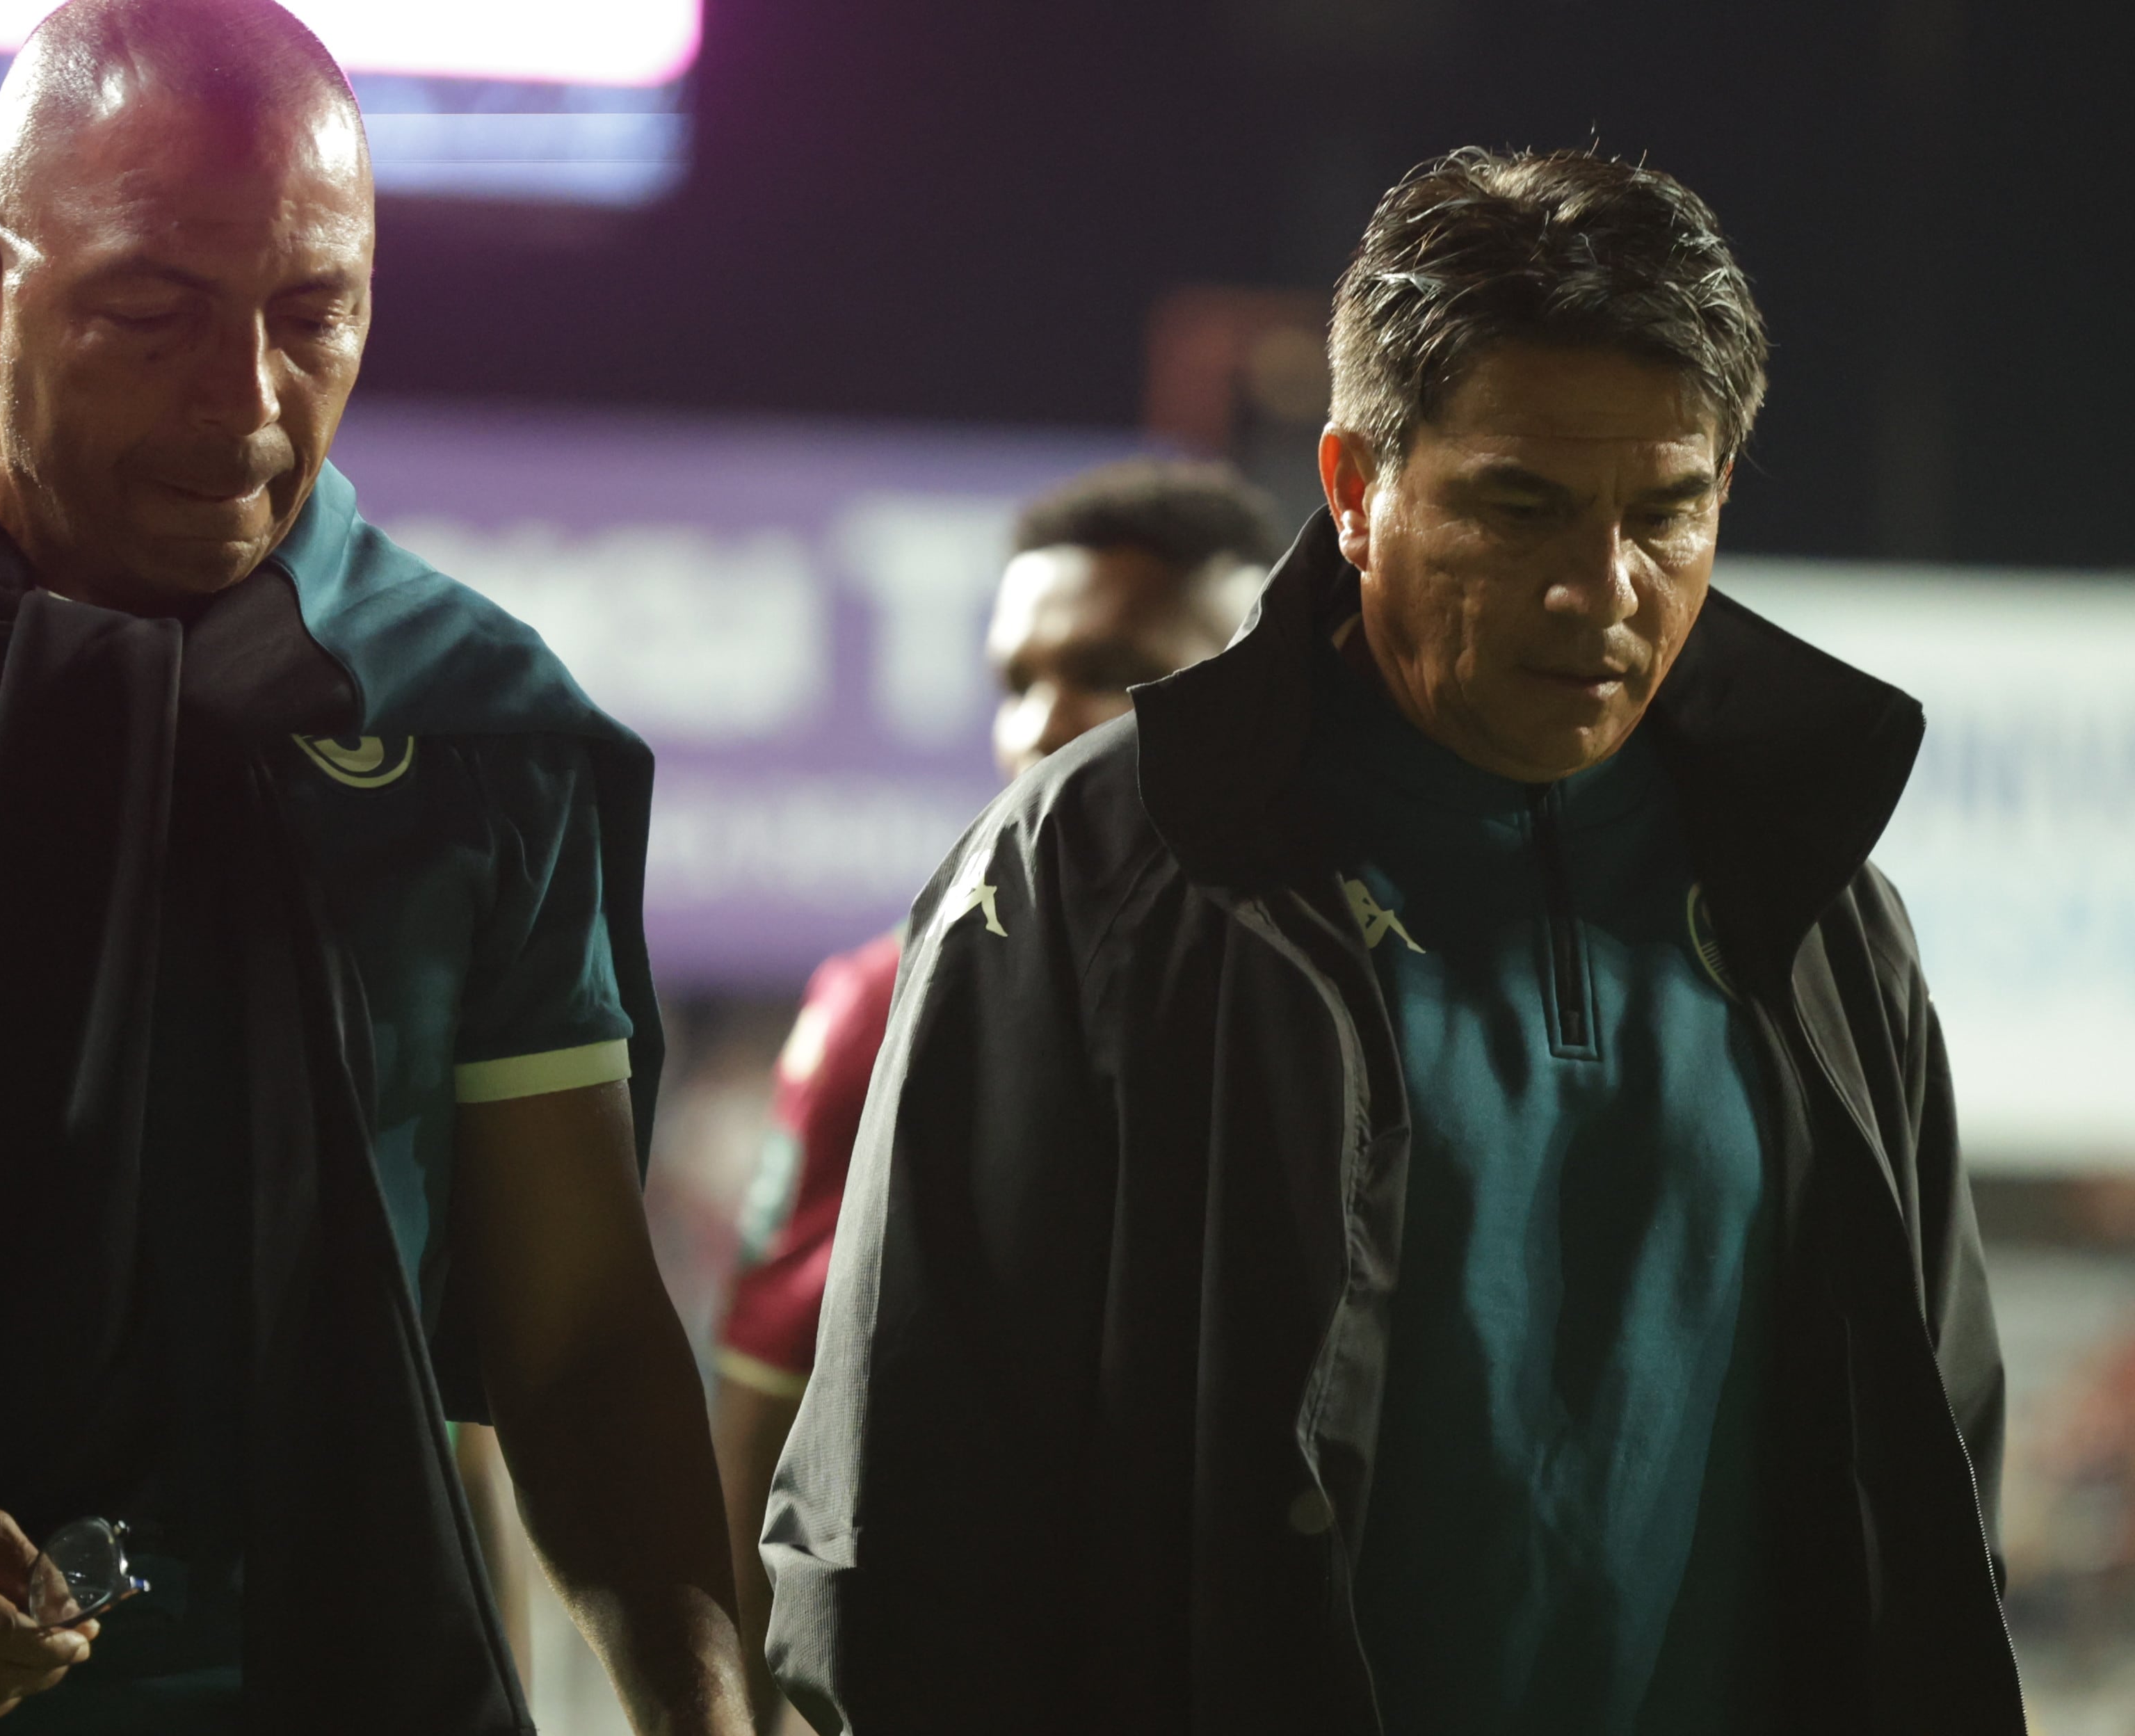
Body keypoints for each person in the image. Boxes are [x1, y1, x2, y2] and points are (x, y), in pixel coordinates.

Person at [0, 3, 747, 1732]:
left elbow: (577, 1350)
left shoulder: (477, 730)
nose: (243, 399)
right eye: (152, 310)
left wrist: (701, 1717)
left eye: (314, 313)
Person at [764, 148, 2024, 1735]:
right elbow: (900, 1521)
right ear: (1356, 492)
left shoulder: (1823, 908)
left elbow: (1932, 1481)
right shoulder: (1087, 877)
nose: (1601, 589)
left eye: (1667, 512)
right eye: (1523, 507)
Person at [709, 460, 1282, 1729]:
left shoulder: (1362, 992)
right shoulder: (883, 1004)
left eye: (1108, 667)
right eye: (1016, 679)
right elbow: (764, 1408)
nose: (1038, 722)